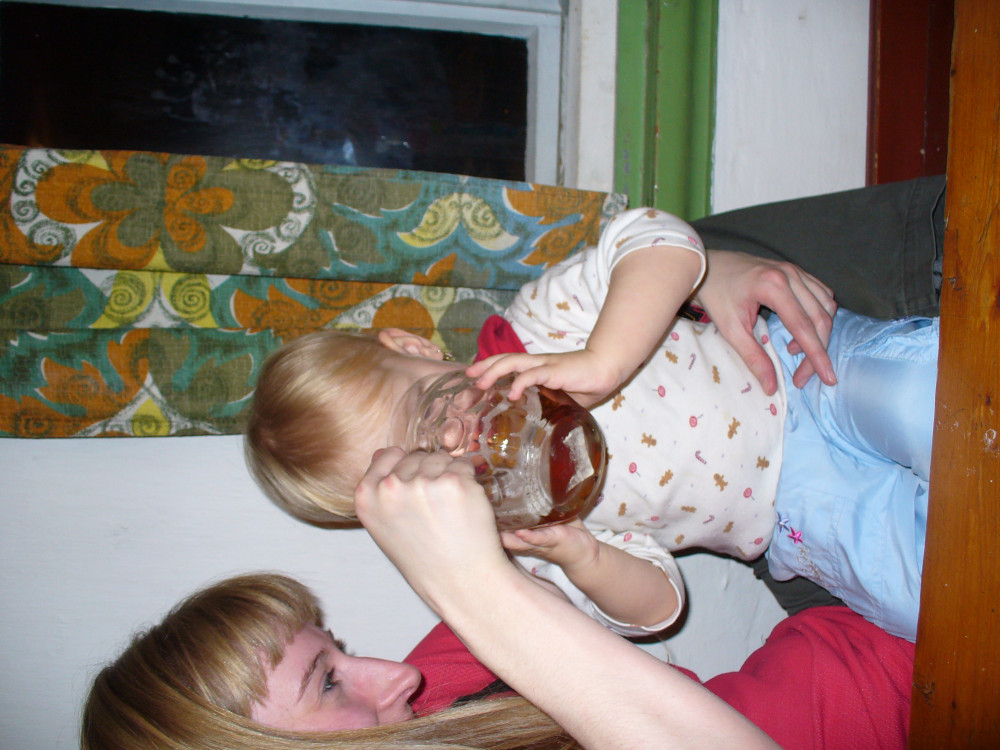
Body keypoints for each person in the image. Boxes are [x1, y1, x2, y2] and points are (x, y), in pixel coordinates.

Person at [246, 197, 939, 642]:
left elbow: (661, 239)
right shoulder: (525, 522)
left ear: (415, 349)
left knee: (921, 404)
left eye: (425, 406)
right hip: (792, 514)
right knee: (926, 598)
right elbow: (660, 607)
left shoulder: (539, 326)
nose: (453, 438)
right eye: (425, 460)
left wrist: (601, 359)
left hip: (797, 370)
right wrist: (581, 556)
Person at [81, 569, 915, 750]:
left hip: (849, 618)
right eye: (328, 682)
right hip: (926, 689)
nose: (398, 674)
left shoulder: (428, 700)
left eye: (339, 650)